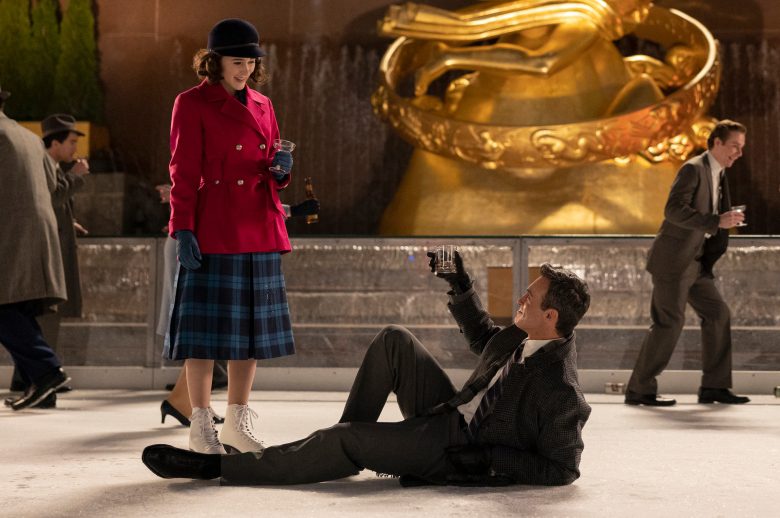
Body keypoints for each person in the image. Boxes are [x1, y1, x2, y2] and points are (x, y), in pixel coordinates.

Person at [142, 253, 592, 487]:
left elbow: (563, 468)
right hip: (451, 411)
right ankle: (336, 452)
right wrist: (461, 285)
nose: (521, 299)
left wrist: (490, 461)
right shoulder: (525, 333)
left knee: (347, 441)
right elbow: (483, 341)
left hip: (461, 446)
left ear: (551, 318)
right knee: (394, 339)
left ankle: (216, 469)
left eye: (530, 298)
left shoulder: (561, 389)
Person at [163, 19, 296, 454]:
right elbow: (182, 171)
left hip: (259, 224)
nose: (245, 69)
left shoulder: (263, 104)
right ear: (214, 61)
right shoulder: (191, 103)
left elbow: (272, 162)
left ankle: (237, 422)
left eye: (251, 62)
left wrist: (281, 171)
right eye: (237, 62)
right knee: (203, 336)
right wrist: (182, 227)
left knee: (251, 335)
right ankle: (200, 425)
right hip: (216, 228)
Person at [155, 183, 318, 427]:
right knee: (203, 330)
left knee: (210, 330)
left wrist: (291, 207)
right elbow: (231, 203)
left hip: (208, 238)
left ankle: (187, 402)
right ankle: (189, 404)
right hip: (200, 241)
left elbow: (244, 203)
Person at [625, 120, 751, 406]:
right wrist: (716, 221)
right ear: (717, 143)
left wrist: (723, 219)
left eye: (742, 148)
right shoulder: (693, 168)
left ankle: (714, 387)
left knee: (718, 314)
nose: (739, 153)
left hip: (696, 264)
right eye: (735, 146)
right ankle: (639, 390)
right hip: (673, 262)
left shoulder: (719, 173)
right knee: (668, 323)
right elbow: (673, 210)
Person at [0, 81, 71, 411]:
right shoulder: (28, 137)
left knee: (4, 307)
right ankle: (43, 387)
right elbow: (57, 187)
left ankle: (46, 371)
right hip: (38, 232)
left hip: (10, 232)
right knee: (19, 307)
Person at [9, 114, 89, 399]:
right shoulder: (40, 160)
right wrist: (76, 178)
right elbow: (50, 197)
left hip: (46, 248)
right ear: (54, 143)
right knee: (39, 316)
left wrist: (70, 222)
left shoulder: (45, 161)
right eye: (70, 141)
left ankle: (33, 378)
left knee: (37, 316)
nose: (74, 148)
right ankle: (39, 376)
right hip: (42, 252)